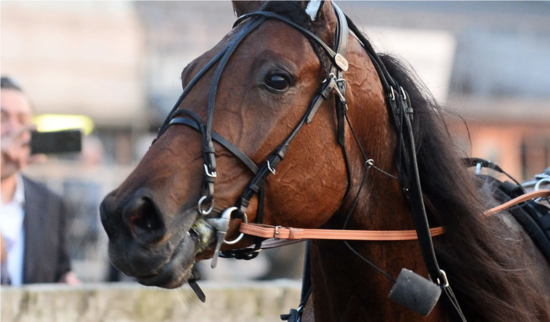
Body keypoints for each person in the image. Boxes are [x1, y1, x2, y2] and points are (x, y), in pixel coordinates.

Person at [0, 76, 79, 285]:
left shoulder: (51, 203)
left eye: (23, 120)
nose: (14, 130)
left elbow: (61, 274)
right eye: (2, 117)